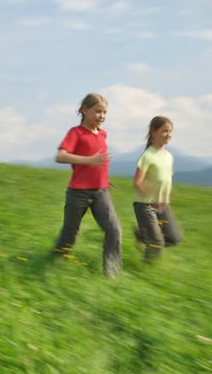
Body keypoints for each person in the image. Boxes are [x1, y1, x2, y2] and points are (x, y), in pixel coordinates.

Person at [53, 93, 122, 278]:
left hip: (101, 191)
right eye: (98, 111)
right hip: (78, 193)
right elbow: (60, 156)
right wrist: (90, 160)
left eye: (105, 112)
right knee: (69, 234)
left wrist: (104, 178)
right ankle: (55, 260)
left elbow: (100, 161)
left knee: (114, 229)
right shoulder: (75, 133)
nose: (102, 116)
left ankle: (112, 273)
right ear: (84, 110)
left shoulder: (102, 134)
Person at [133, 116, 182, 261]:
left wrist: (168, 193)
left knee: (174, 238)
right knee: (156, 243)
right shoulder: (147, 155)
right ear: (153, 132)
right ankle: (146, 270)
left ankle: (142, 235)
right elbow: (137, 182)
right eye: (165, 131)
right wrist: (152, 193)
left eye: (170, 131)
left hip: (163, 205)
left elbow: (164, 178)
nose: (169, 134)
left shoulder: (169, 156)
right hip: (145, 205)